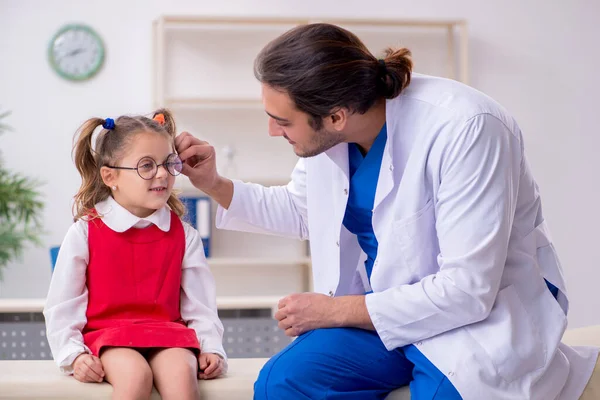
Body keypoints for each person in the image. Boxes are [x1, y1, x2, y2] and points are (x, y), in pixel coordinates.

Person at [175, 23, 599, 400]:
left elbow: (468, 290)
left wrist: (333, 311)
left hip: (478, 321)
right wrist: (212, 182)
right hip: (383, 316)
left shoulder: (467, 127)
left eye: (282, 121)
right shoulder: (328, 139)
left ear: (336, 116)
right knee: (283, 383)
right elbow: (304, 210)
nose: (272, 131)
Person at [44, 110, 226, 400]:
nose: (163, 173)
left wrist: (211, 348)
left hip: (169, 335)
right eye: (146, 166)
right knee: (135, 377)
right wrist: (73, 355)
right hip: (109, 337)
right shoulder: (85, 233)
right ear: (110, 176)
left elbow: (200, 306)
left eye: (168, 163)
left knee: (182, 378)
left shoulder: (185, 235)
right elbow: (62, 306)